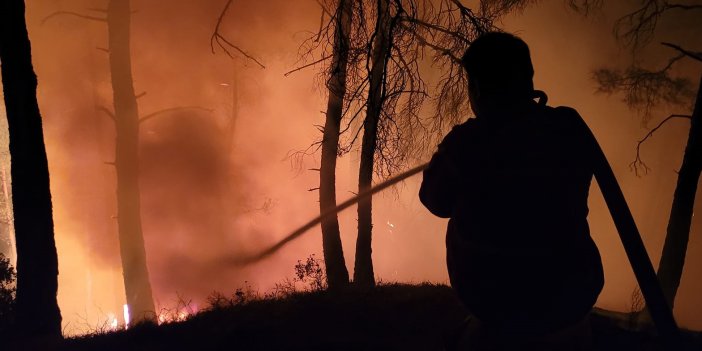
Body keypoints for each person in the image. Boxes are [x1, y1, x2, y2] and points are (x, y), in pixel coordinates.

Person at [420, 32, 605, 349]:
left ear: (477, 87)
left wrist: (447, 155)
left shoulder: (468, 142)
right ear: (528, 78)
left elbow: (435, 201)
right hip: (570, 298)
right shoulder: (567, 127)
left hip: (496, 304)